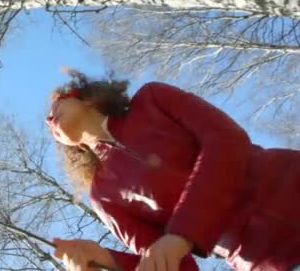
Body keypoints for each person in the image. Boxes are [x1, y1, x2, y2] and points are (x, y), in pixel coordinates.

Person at [46, 69, 300, 271]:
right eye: (49, 126)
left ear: (85, 97)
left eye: (56, 104)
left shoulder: (152, 98)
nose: (49, 119)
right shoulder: (102, 195)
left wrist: (182, 234)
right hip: (269, 261)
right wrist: (107, 260)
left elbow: (226, 140)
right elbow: (174, 265)